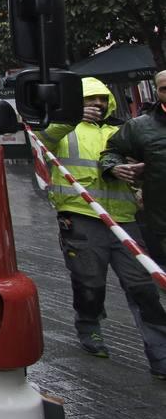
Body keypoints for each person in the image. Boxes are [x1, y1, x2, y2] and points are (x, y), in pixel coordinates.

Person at [37, 76, 166, 380]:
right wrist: (66, 119)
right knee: (89, 283)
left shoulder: (122, 130)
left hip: (124, 220)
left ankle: (160, 354)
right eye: (88, 100)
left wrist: (136, 172)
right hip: (80, 217)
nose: (96, 105)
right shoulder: (64, 130)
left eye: (101, 100)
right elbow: (40, 144)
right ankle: (89, 324)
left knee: (143, 289)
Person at [101, 70, 166, 271]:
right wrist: (115, 167)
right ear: (157, 92)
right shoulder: (139, 127)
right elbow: (112, 152)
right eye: (165, 89)